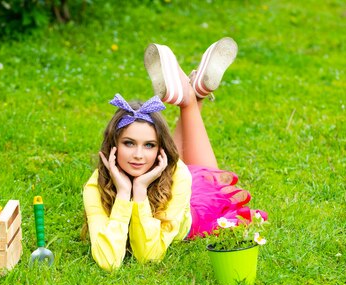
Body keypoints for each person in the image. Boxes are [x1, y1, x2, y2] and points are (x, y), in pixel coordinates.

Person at [83, 38, 267, 271]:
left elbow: (148, 256)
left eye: (149, 145)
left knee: (209, 176)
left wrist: (138, 192)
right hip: (168, 181)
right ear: (113, 146)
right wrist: (123, 194)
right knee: (198, 169)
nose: (138, 155)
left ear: (161, 149)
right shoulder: (94, 186)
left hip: (192, 213)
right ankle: (193, 95)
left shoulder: (178, 174)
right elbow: (108, 262)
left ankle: (191, 98)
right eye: (129, 143)